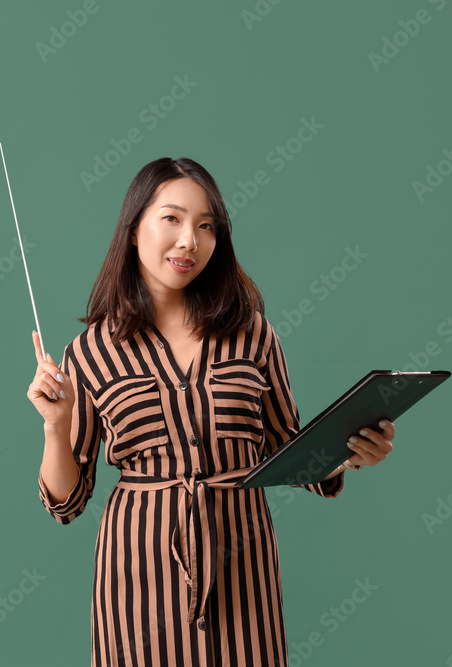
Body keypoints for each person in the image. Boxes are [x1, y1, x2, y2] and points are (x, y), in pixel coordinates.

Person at [29, 157, 395, 666]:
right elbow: (67, 503)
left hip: (242, 562)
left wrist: (350, 454)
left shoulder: (252, 334)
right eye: (173, 219)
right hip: (138, 571)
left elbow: (290, 451)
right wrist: (55, 426)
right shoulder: (88, 352)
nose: (189, 241)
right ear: (134, 229)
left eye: (206, 227)